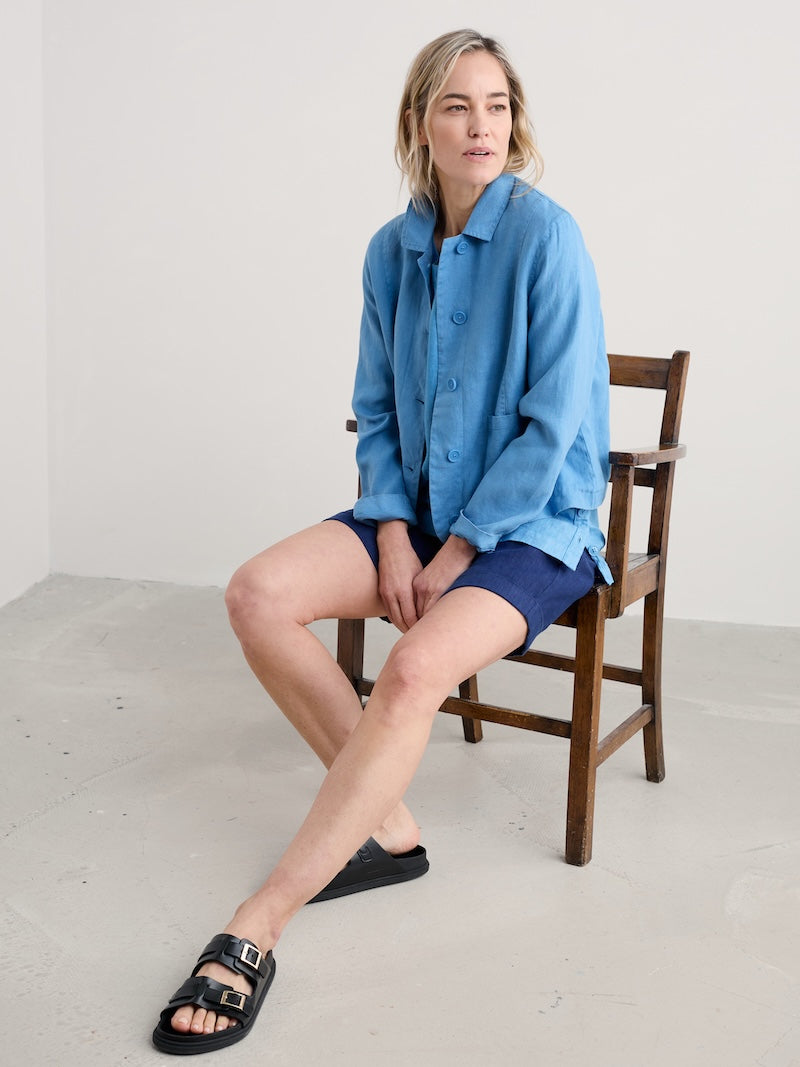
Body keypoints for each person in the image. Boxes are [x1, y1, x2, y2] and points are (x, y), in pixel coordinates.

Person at [152, 27, 612, 1055]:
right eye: (456, 105)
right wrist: (396, 530)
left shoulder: (548, 238)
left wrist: (456, 553)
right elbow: (376, 408)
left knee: (410, 672)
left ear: (515, 120)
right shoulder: (387, 250)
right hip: (414, 509)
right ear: (419, 125)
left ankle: (257, 921)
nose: (479, 125)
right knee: (255, 593)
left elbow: (554, 427)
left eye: (495, 105)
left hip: (533, 526)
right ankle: (386, 828)